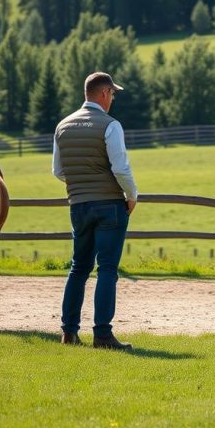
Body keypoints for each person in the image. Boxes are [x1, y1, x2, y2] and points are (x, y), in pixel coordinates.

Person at [53, 72, 138, 350]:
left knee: (79, 267)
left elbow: (59, 171)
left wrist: (82, 184)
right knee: (107, 270)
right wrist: (132, 195)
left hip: (78, 204)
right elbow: (120, 168)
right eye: (112, 94)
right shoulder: (110, 125)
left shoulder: (62, 126)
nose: (112, 99)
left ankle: (69, 332)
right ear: (104, 94)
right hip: (110, 206)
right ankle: (102, 335)